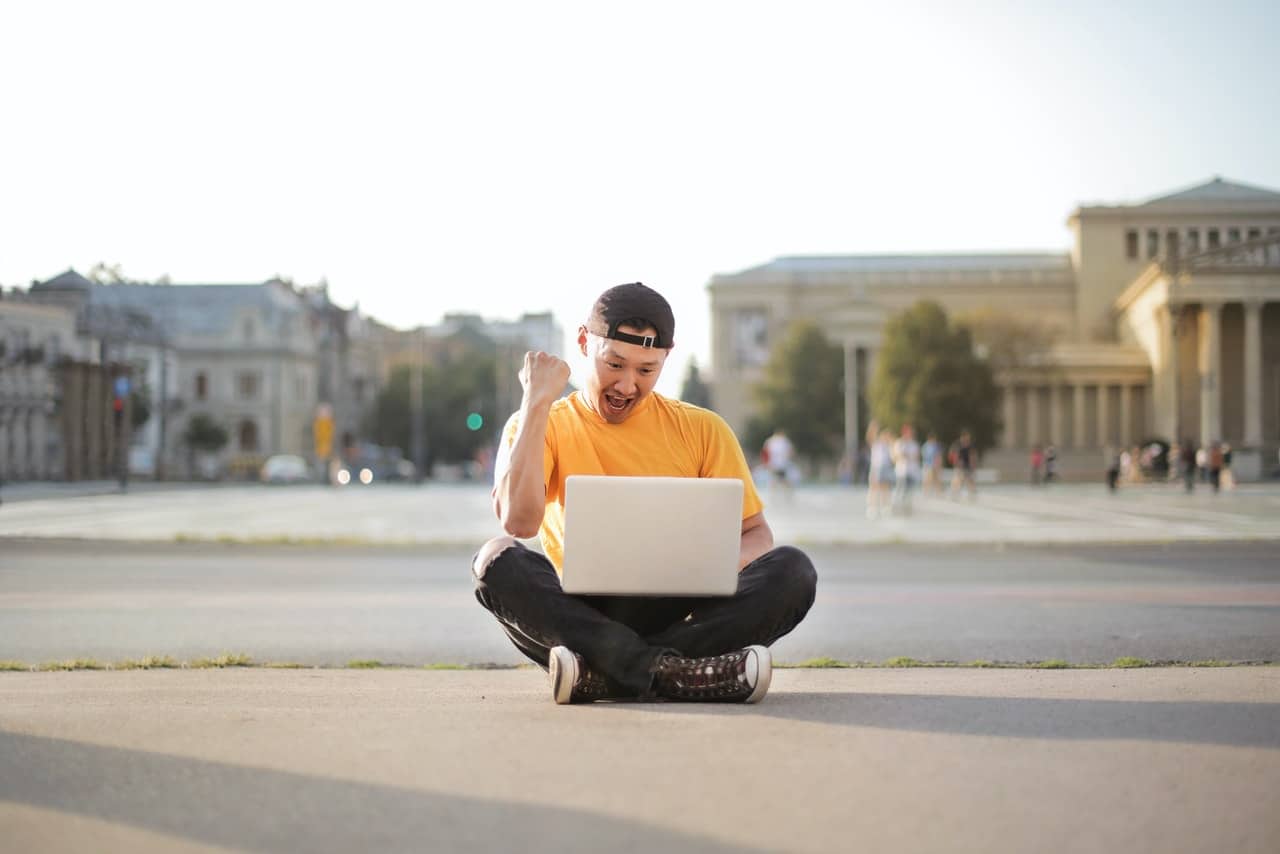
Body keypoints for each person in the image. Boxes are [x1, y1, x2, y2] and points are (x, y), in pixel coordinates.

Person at [471, 282, 817, 705]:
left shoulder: (702, 429)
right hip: (581, 613)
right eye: (614, 364)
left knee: (794, 571)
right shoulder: (539, 423)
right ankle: (675, 672)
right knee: (495, 560)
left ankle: (609, 674)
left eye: (645, 370)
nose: (627, 385)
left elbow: (756, 534)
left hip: (678, 607)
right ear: (584, 342)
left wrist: (705, 566)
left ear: (665, 359)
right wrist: (536, 403)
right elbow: (518, 522)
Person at [891, 424, 921, 515]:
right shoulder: (899, 443)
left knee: (910, 491)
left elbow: (917, 456)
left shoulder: (914, 444)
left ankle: (908, 508)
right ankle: (896, 507)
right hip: (901, 471)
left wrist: (907, 456)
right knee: (900, 490)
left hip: (912, 471)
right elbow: (896, 456)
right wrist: (904, 456)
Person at [866, 427, 894, 519]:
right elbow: (870, 437)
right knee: (874, 487)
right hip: (876, 467)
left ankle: (885, 507)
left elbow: (893, 456)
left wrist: (890, 440)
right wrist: (873, 428)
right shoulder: (876, 444)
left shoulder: (889, 446)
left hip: (886, 467)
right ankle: (872, 507)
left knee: (886, 488)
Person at [763, 428, 797, 499]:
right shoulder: (783, 441)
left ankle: (774, 495)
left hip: (775, 464)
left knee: (776, 480)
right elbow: (791, 452)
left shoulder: (770, 441)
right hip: (780, 464)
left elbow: (765, 453)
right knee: (781, 480)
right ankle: (787, 494)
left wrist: (766, 463)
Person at [948, 431, 977, 500]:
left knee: (970, 480)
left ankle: (972, 494)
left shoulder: (970, 446)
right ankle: (954, 493)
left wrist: (973, 465)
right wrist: (956, 462)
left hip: (967, 466)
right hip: (959, 466)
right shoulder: (957, 445)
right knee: (957, 480)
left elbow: (972, 456)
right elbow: (953, 455)